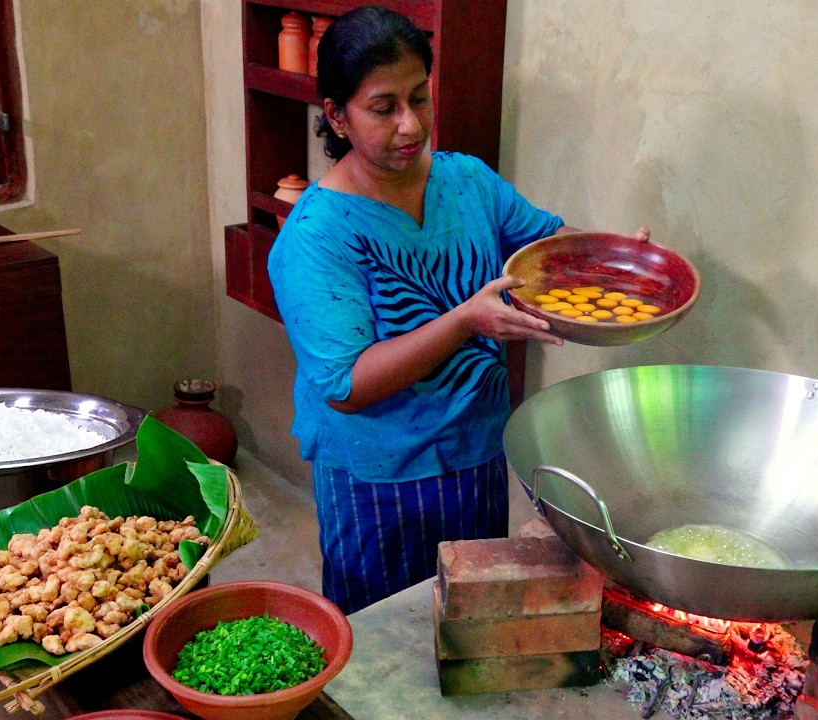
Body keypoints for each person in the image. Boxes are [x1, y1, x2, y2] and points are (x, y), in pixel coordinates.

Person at [268, 4, 646, 614]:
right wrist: (466, 320)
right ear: (337, 115)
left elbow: (544, 248)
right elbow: (347, 385)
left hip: (474, 454)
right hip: (380, 479)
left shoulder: (465, 181)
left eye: (419, 97)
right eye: (383, 108)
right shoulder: (317, 236)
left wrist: (615, 261)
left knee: (468, 620)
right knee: (385, 637)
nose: (411, 125)